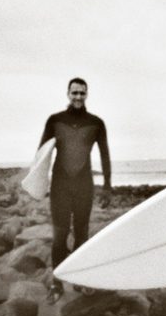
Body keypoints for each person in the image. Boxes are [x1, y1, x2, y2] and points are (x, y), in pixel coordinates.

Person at [40, 77, 112, 300]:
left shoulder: (97, 123)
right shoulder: (54, 120)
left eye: (82, 93)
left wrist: (107, 186)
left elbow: (104, 155)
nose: (78, 97)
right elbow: (41, 154)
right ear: (68, 94)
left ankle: (79, 280)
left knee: (82, 234)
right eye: (75, 93)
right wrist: (39, 184)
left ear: (87, 94)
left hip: (84, 186)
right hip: (60, 185)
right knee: (59, 236)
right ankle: (57, 283)